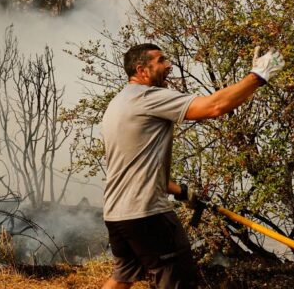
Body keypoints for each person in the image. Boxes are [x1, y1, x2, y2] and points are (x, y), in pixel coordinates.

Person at [101, 43, 284, 289]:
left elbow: (137, 169)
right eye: (161, 60)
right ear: (142, 70)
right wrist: (258, 77)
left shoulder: (117, 104)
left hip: (117, 214)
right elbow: (214, 107)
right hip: (147, 214)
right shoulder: (146, 97)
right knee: (178, 281)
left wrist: (183, 192)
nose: (169, 65)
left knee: (121, 279)